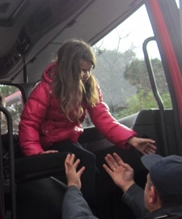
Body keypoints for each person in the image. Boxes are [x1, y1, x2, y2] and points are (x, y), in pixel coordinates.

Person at [18, 39, 156, 205]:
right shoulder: (45, 89)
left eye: (89, 70)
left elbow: (103, 118)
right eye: (82, 70)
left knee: (96, 173)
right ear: (68, 68)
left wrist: (131, 139)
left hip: (68, 141)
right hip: (47, 144)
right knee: (87, 159)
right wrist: (37, 155)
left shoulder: (89, 87)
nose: (86, 75)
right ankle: (86, 213)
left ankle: (101, 210)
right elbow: (29, 123)